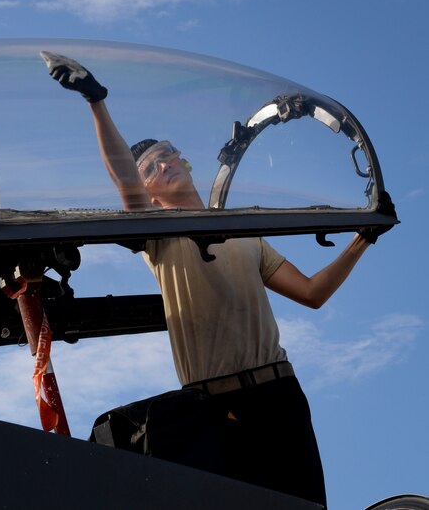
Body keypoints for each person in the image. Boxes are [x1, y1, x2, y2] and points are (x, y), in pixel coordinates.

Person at [41, 51, 395, 507]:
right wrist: (96, 101)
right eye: (151, 167)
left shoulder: (245, 235)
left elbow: (312, 293)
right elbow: (125, 183)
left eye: (167, 155)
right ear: (146, 188)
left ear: (185, 162)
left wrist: (363, 239)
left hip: (280, 397)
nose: (163, 165)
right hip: (214, 411)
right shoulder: (159, 236)